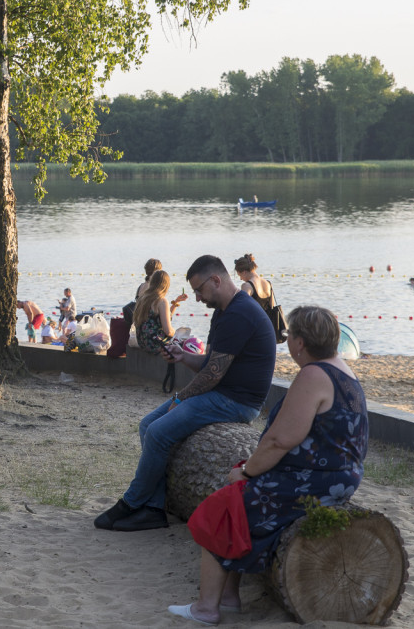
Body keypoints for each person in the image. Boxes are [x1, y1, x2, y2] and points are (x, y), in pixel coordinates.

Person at [166, 305, 367, 624]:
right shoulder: (341, 369)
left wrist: (246, 471)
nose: (288, 343)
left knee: (221, 509)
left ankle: (206, 608)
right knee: (238, 498)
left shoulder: (314, 375)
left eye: (289, 337)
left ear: (300, 343)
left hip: (316, 480)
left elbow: (280, 440)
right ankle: (229, 596)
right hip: (336, 475)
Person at [95, 255, 276, 533]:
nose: (197, 298)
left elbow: (213, 374)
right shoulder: (224, 311)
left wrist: (180, 399)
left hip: (237, 401)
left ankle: (131, 503)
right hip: (220, 392)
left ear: (216, 280)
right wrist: (181, 356)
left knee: (158, 432)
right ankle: (154, 508)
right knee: (147, 425)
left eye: (199, 290)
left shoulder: (240, 313)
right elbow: (211, 363)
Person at [133, 270, 183, 354]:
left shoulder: (143, 298)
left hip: (143, 342)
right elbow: (168, 331)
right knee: (187, 343)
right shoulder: (161, 301)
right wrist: (178, 335)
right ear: (166, 285)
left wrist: (176, 302)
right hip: (155, 344)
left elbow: (164, 316)